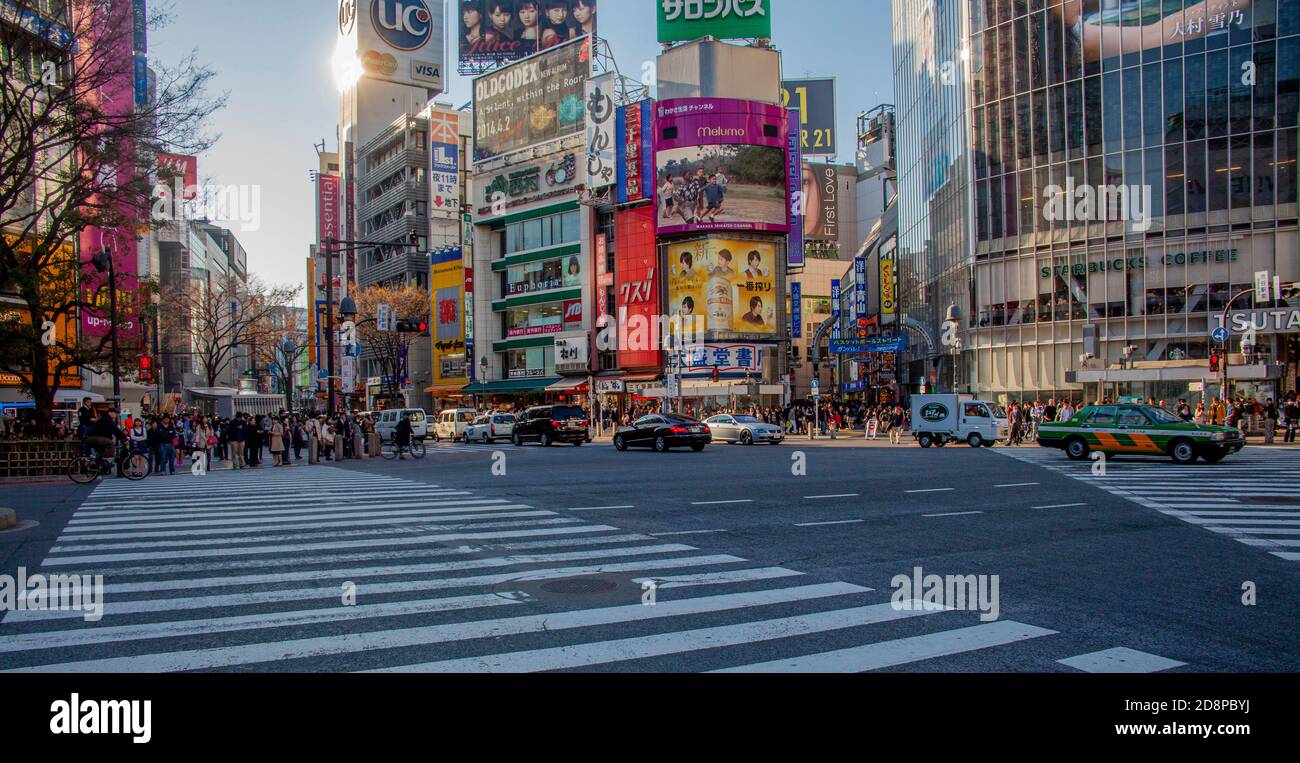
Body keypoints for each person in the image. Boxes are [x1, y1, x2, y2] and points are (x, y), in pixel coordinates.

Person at [84, 408, 127, 476]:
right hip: (93, 438)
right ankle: (104, 460)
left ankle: (96, 465)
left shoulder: (106, 419)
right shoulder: (107, 419)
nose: (116, 414)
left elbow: (111, 431)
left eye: (116, 413)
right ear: (109, 412)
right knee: (110, 443)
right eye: (115, 413)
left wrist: (121, 437)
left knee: (102, 451)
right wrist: (124, 438)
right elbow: (115, 430)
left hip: (94, 437)